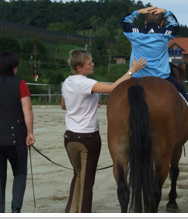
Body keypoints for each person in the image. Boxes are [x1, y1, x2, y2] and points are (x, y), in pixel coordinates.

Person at [61, 49, 146, 213]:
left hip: (69, 137)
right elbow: (114, 87)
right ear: (79, 67)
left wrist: (91, 103)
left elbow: (65, 106)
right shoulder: (85, 83)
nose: (92, 64)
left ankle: (70, 212)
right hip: (87, 138)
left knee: (78, 175)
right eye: (89, 63)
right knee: (87, 182)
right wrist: (132, 70)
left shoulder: (67, 81)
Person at [120, 6, 188, 133]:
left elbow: (124, 21)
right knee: (181, 89)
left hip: (137, 75)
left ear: (145, 22)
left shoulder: (135, 33)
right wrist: (166, 12)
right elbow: (175, 25)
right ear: (161, 23)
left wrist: (139, 12)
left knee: (118, 90)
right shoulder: (165, 34)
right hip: (161, 77)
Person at [0, 51, 36, 213]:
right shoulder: (20, 83)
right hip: (15, 138)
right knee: (20, 174)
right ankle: (15, 210)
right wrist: (30, 133)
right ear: (12, 67)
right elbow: (27, 109)